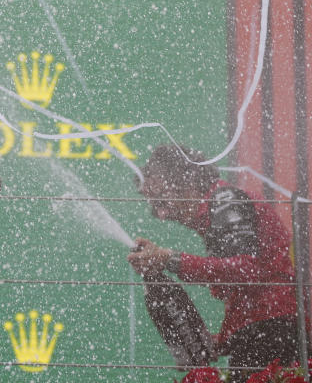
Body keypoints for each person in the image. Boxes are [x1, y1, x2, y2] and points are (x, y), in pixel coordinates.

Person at [127, 144, 299, 383]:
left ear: (185, 180)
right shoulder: (221, 204)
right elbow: (253, 288)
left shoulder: (225, 201)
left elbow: (245, 269)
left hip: (271, 331)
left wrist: (169, 258)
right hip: (270, 330)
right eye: (154, 206)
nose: (161, 215)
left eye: (161, 201)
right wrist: (221, 340)